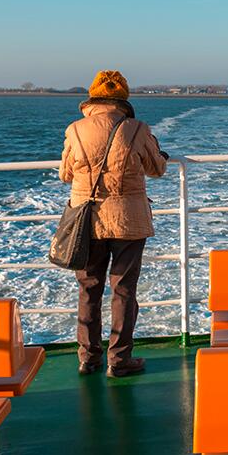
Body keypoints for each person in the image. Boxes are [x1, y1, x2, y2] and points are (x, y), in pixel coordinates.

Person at [59, 70, 167, 378]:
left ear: (92, 99)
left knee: (88, 289)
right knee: (123, 290)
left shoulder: (75, 130)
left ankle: (88, 357)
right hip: (128, 221)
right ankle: (119, 360)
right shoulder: (136, 129)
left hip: (86, 222)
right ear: (123, 101)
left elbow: (65, 174)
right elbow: (157, 168)